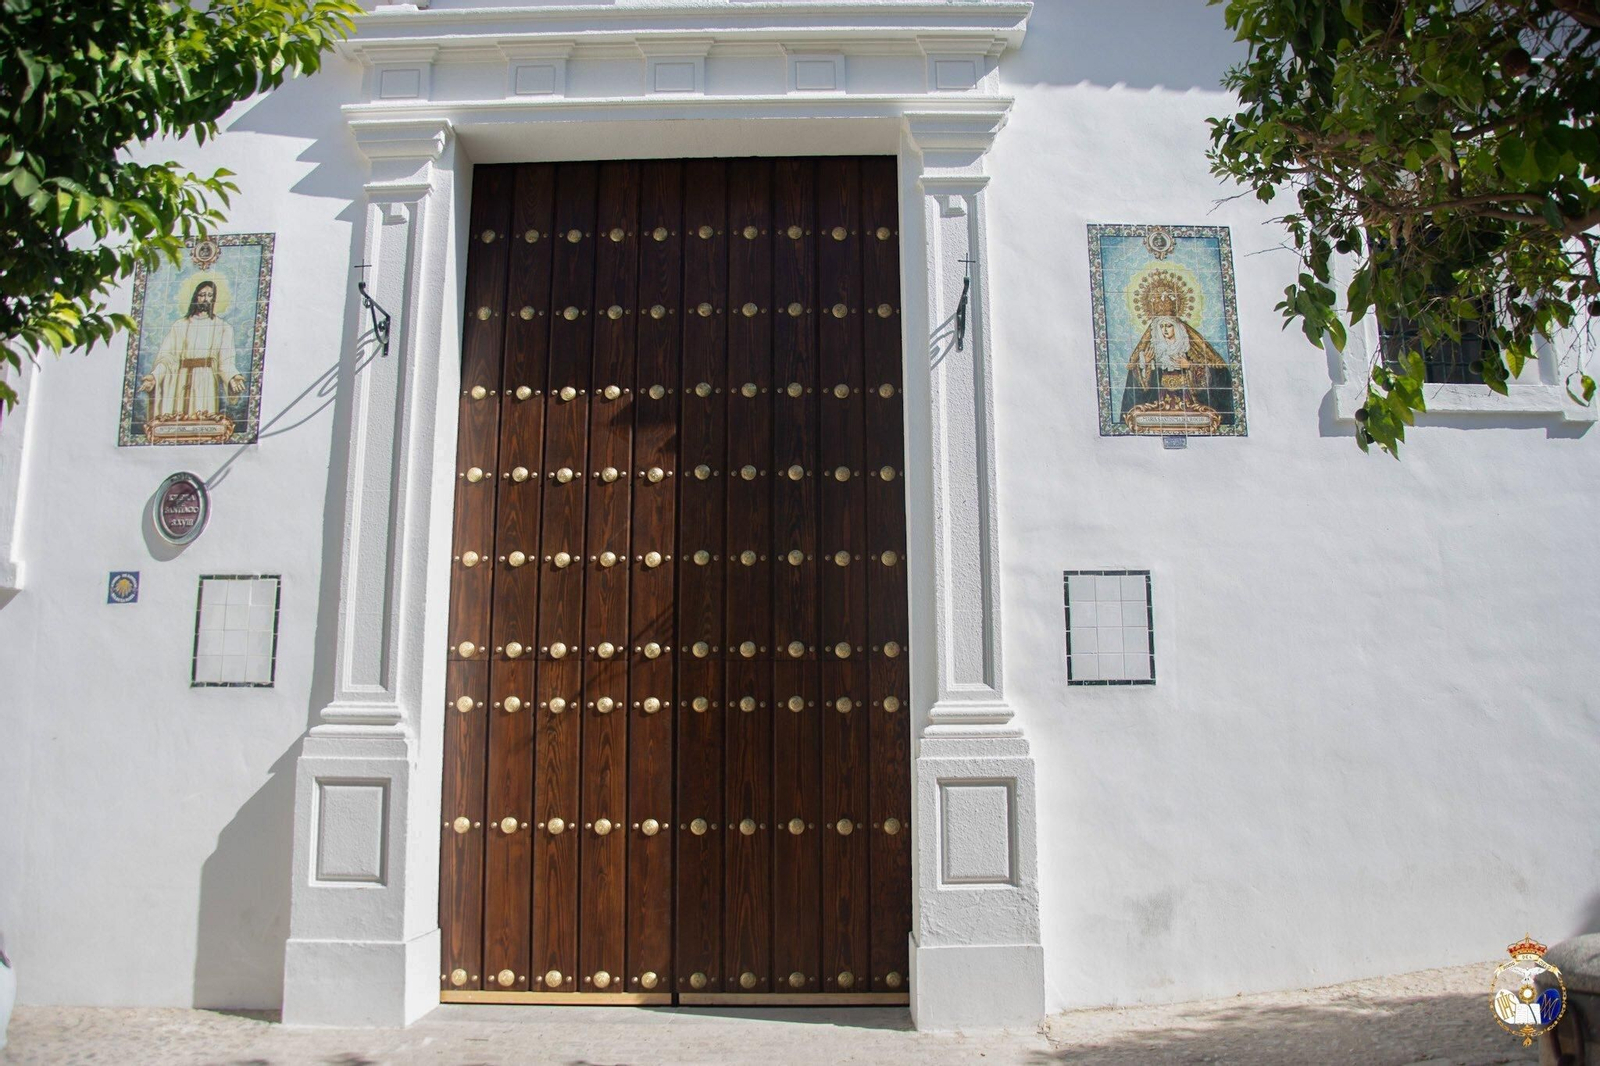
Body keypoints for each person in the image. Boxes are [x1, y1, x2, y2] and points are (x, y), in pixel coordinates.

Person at [140, 279, 243, 421]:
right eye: (201, 295)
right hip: (180, 379)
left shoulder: (223, 328)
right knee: (178, 420)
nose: (205, 299)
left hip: (205, 379)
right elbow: (167, 357)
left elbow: (226, 361)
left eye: (209, 295)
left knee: (202, 418)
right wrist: (154, 376)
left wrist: (233, 377)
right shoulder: (180, 326)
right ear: (196, 297)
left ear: (214, 298)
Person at [1121, 313, 1235, 427]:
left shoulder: (1188, 348)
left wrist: (1190, 366)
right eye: (1162, 326)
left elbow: (1216, 369)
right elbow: (1144, 384)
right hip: (1160, 398)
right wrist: (1144, 365)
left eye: (1169, 326)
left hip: (1187, 397)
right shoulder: (1156, 350)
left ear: (1176, 327)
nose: (1165, 330)